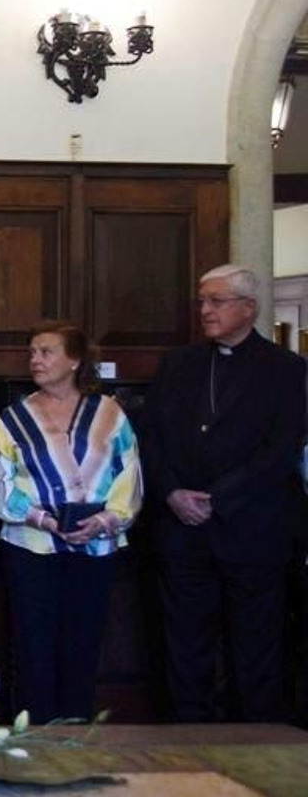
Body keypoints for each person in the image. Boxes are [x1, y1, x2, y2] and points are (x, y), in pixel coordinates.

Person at [140, 265, 307, 722]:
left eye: (217, 301)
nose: (205, 311)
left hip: (252, 531)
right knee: (184, 649)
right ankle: (184, 745)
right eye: (202, 301)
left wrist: (218, 498)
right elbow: (149, 437)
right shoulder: (179, 364)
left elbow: (281, 449)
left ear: (247, 309)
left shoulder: (287, 370)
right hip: (182, 534)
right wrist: (172, 492)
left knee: (255, 653)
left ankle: (252, 749)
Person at [0, 322, 143, 722]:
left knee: (83, 643)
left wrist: (108, 519)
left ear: (74, 360)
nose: (36, 359)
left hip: (95, 546)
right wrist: (40, 519)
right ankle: (36, 731)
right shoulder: (14, 417)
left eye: (46, 352)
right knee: (33, 644)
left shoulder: (109, 413)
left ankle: (76, 730)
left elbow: (130, 472)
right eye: (33, 352)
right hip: (30, 546)